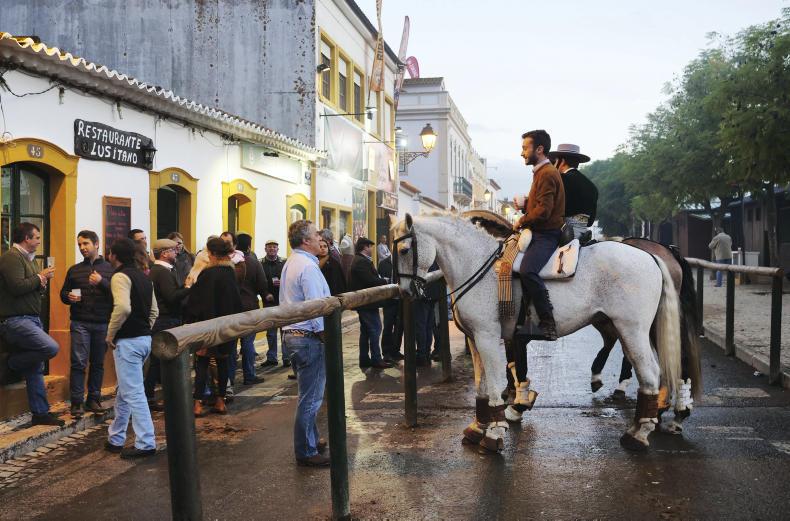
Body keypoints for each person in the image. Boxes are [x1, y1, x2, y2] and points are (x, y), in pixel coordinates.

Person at [0, 223, 62, 426]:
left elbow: (33, 289)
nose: (38, 241)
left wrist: (41, 283)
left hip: (32, 319)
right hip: (15, 320)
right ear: (26, 238)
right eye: (36, 237)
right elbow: (17, 287)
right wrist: (39, 277)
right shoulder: (11, 257)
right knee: (50, 348)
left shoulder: (30, 259)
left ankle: (40, 414)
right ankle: (11, 363)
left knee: (35, 367)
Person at [280, 219, 331, 467]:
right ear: (305, 241)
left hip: (293, 335)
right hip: (307, 337)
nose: (320, 237)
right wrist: (325, 336)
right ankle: (306, 450)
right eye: (315, 234)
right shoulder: (308, 267)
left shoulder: (293, 262)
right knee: (311, 398)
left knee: (307, 394)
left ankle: (311, 439)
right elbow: (315, 308)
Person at [104, 238, 160, 458]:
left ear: (114, 255)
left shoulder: (120, 276)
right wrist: (145, 329)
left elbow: (122, 307)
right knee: (125, 391)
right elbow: (154, 311)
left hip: (128, 341)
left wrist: (111, 333)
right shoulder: (144, 277)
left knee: (134, 393)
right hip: (144, 340)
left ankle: (146, 442)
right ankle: (116, 437)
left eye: (110, 253)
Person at [513, 129, 566, 341]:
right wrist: (526, 203)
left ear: (539, 149)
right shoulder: (542, 172)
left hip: (546, 235)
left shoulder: (547, 173)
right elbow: (541, 204)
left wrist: (521, 220)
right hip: (540, 233)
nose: (522, 153)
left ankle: (547, 322)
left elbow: (544, 211)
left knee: (528, 270)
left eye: (525, 148)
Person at [184, 237, 242, 417]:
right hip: (225, 326)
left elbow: (196, 301)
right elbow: (236, 301)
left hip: (207, 325)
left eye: (208, 252)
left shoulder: (208, 274)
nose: (207, 255)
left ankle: (197, 404)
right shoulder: (230, 273)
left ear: (214, 253)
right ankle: (220, 402)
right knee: (222, 363)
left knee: (202, 364)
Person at [61, 230, 115, 417]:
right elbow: (63, 293)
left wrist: (102, 282)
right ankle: (77, 402)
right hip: (80, 322)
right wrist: (68, 297)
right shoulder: (74, 270)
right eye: (80, 245)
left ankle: (93, 399)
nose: (82, 247)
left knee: (98, 363)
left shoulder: (110, 269)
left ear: (96, 244)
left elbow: (118, 293)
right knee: (78, 362)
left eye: (86, 244)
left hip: (102, 323)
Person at [144, 238, 190, 411]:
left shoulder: (162, 270)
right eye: (173, 250)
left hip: (165, 319)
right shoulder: (161, 272)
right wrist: (188, 287)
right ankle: (150, 397)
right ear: (164, 253)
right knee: (159, 361)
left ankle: (153, 396)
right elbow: (171, 297)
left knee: (158, 361)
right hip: (165, 320)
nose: (176, 252)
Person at [348, 237, 391, 369]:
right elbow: (370, 280)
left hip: (366, 302)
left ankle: (364, 359)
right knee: (375, 328)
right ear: (365, 247)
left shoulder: (361, 260)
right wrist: (385, 281)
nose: (372, 249)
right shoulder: (361, 261)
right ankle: (376, 359)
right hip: (366, 303)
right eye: (370, 246)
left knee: (366, 331)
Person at [232, 232, 268, 385]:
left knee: (231, 343)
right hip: (249, 306)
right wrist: (265, 295)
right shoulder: (253, 262)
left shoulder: (229, 261)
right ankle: (249, 375)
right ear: (248, 246)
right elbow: (262, 284)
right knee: (247, 342)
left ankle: (229, 378)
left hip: (232, 307)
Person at [548, 143, 598, 240]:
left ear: (562, 161)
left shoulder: (560, 179)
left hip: (563, 235)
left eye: (555, 161)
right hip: (583, 236)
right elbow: (590, 222)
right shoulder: (592, 187)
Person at [260, 239, 287, 368]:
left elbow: (290, 278)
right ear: (265, 249)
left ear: (278, 249)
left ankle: (287, 357)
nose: (272, 249)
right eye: (269, 247)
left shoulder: (284, 262)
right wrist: (265, 293)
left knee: (285, 330)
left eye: (274, 247)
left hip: (283, 301)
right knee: (270, 332)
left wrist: (283, 282)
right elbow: (259, 282)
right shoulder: (260, 264)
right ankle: (272, 357)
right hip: (269, 301)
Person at [377, 251, 403, 362]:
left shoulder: (403, 262)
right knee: (388, 326)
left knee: (399, 326)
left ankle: (395, 350)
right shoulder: (383, 263)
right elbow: (380, 280)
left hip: (401, 300)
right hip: (389, 300)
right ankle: (386, 352)